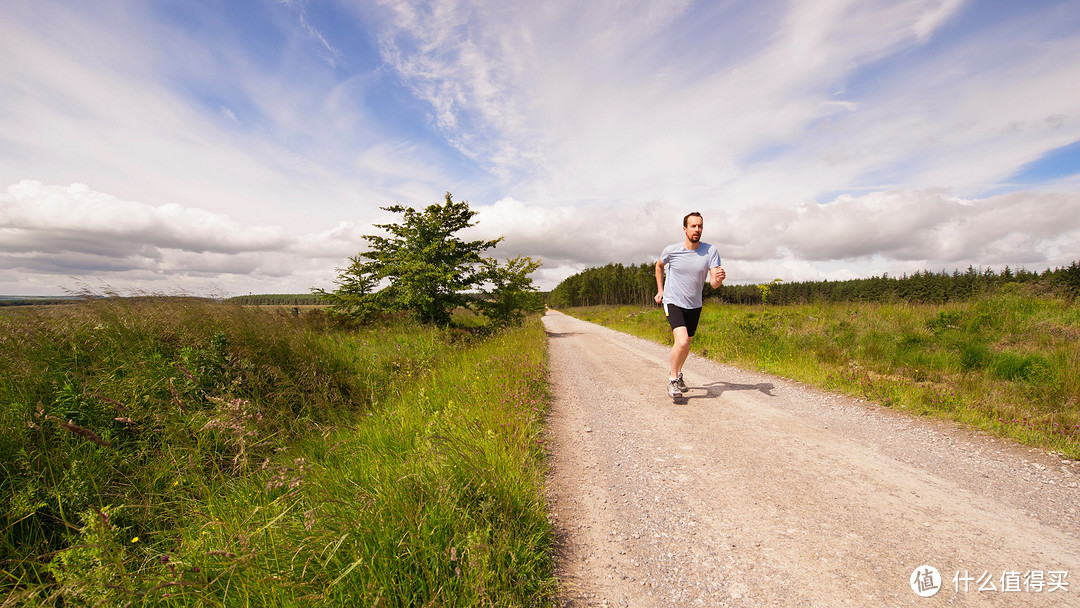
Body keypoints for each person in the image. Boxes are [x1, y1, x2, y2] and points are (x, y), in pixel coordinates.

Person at [654, 212, 725, 397]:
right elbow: (659, 266)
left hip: (694, 304)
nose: (697, 229)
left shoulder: (710, 251)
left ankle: (678, 375)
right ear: (685, 229)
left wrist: (719, 279)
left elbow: (714, 284)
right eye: (693, 226)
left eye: (700, 226)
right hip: (673, 301)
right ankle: (672, 379)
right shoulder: (672, 250)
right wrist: (660, 290)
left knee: (687, 344)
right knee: (682, 341)